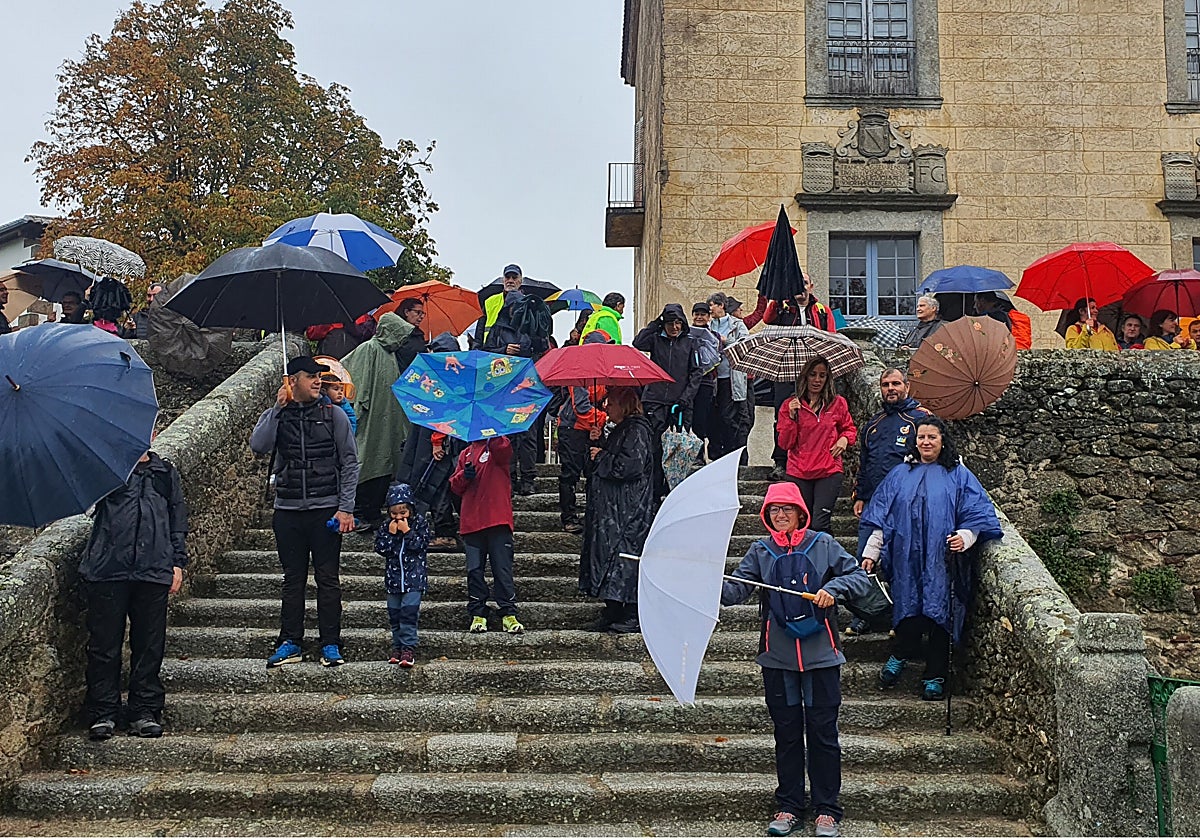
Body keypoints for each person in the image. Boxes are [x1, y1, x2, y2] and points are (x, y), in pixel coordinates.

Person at [721, 483, 870, 838]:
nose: (781, 515)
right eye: (774, 510)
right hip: (778, 659)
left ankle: (827, 809)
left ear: (801, 512)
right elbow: (735, 591)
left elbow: (859, 579)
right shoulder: (760, 551)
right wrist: (705, 581)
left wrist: (832, 590)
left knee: (823, 735)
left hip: (821, 657)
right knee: (786, 734)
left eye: (787, 509)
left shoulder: (823, 544)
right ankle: (788, 805)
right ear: (766, 516)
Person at [861, 416, 1003, 701]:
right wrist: (871, 551)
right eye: (922, 437)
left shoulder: (958, 474)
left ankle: (935, 674)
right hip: (906, 557)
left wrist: (965, 536)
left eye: (932, 438)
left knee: (940, 613)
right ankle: (901, 653)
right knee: (908, 605)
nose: (926, 442)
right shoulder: (900, 474)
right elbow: (882, 515)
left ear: (942, 441)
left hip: (941, 559)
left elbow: (976, 512)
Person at [250, 356, 359, 669]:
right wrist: (276, 409)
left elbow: (350, 462)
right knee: (292, 579)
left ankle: (330, 642)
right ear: (292, 380)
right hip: (288, 509)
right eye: (310, 376)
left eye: (318, 377)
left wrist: (346, 507)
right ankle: (290, 640)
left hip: (325, 507)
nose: (317, 382)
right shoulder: (279, 415)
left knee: (328, 579)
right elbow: (259, 445)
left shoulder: (334, 415)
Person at [79, 436, 188, 740]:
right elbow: (88, 507)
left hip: (154, 568)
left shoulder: (165, 473)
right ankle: (103, 712)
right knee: (103, 645)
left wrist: (178, 563)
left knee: (150, 644)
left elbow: (177, 520)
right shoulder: (105, 468)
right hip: (108, 568)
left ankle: (144, 710)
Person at [849, 369, 930, 633]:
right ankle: (864, 615)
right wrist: (860, 495)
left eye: (896, 383)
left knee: (900, 563)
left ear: (907, 386)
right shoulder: (874, 423)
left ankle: (900, 618)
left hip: (905, 504)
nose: (890, 388)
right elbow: (865, 462)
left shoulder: (920, 420)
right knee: (864, 560)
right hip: (873, 503)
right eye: (885, 384)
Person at [580, 386, 656, 634]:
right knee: (609, 557)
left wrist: (601, 455)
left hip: (628, 511)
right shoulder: (620, 430)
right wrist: (596, 443)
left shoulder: (637, 430)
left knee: (625, 558)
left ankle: (632, 611)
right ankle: (612, 607)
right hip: (612, 510)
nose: (606, 408)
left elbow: (629, 467)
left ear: (624, 404)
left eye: (610, 403)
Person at [341, 312, 415, 527]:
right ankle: (362, 511)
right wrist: (358, 411)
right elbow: (356, 380)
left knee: (383, 464)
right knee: (368, 462)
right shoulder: (369, 349)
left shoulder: (389, 354)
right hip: (370, 419)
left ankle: (372, 512)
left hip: (385, 421)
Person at [450, 435, 524, 634]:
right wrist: (465, 475)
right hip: (472, 522)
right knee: (474, 571)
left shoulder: (499, 444)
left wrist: (496, 432)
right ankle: (478, 612)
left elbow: (504, 452)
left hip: (498, 519)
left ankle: (508, 612)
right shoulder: (466, 453)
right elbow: (455, 486)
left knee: (502, 569)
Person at [776, 356, 857, 534]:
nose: (817, 380)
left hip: (829, 470)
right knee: (802, 524)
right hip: (798, 471)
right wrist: (791, 418)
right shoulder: (790, 405)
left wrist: (845, 439)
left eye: (822, 375)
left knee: (820, 523)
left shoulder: (838, 403)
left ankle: (826, 559)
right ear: (805, 376)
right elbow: (785, 443)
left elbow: (849, 428)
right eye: (813, 374)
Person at [632, 304, 703, 500]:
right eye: (670, 323)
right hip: (655, 401)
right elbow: (638, 342)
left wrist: (685, 398)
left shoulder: (690, 343)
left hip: (680, 404)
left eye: (678, 322)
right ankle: (654, 492)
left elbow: (696, 373)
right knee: (655, 449)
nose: (674, 327)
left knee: (679, 451)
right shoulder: (655, 339)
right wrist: (656, 322)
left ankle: (675, 492)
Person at [482, 290, 549, 495]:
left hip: (528, 385)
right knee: (507, 435)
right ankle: (508, 478)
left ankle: (528, 478)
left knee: (528, 434)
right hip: (504, 387)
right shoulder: (497, 329)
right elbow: (486, 353)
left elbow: (542, 347)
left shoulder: (531, 324)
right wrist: (504, 351)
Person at [557, 332, 609, 534]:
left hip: (589, 428)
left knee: (593, 472)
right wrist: (603, 418)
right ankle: (568, 517)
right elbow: (581, 406)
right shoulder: (578, 373)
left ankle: (592, 514)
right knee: (570, 473)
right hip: (572, 429)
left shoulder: (601, 373)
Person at [375, 483, 431, 667]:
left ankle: (408, 648)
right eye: (394, 513)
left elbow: (420, 546)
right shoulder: (386, 527)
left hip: (414, 579)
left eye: (403, 513)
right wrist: (391, 535)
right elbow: (381, 549)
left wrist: (407, 532)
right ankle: (397, 646)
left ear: (411, 510)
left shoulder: (420, 524)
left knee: (408, 613)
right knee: (394, 614)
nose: (399, 517)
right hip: (393, 579)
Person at [708, 291, 751, 461]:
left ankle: (735, 451)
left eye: (712, 305)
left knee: (730, 416)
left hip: (732, 378)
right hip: (714, 378)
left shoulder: (737, 324)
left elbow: (745, 346)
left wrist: (726, 341)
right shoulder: (709, 325)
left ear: (721, 305)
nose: (710, 309)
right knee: (716, 418)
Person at [689, 301, 721, 465]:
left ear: (708, 317)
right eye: (697, 314)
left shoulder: (714, 337)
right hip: (688, 385)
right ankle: (690, 454)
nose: (699, 317)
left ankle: (700, 456)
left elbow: (716, 358)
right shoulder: (685, 334)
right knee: (689, 419)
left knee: (701, 421)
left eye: (703, 314)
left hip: (705, 384)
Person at [474, 263, 525, 347]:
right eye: (507, 277)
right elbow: (480, 331)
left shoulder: (527, 303)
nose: (510, 281)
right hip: (490, 351)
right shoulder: (490, 301)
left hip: (517, 352)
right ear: (503, 280)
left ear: (521, 281)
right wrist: (476, 350)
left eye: (514, 277)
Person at [317, 364, 358, 435]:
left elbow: (352, 420)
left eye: (342, 390)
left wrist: (349, 435)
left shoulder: (345, 405)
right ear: (324, 391)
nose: (340, 392)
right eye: (336, 389)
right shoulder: (319, 403)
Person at [394, 297, 429, 364]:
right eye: (418, 312)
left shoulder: (418, 334)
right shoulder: (395, 333)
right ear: (406, 312)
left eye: (422, 313)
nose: (421, 317)